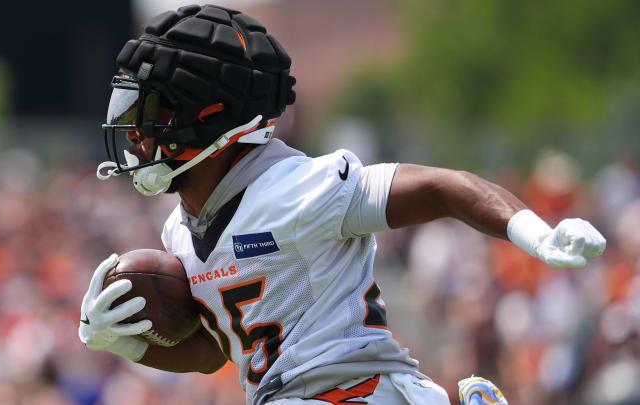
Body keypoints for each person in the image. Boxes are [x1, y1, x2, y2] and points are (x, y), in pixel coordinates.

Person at [78, 5, 606, 405]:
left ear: (206, 117)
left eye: (150, 114)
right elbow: (219, 348)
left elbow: (442, 187)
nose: (135, 135)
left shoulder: (298, 189)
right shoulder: (179, 231)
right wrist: (127, 345)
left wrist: (534, 232)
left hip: (354, 390)